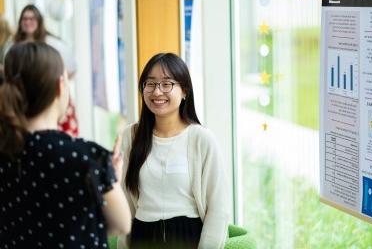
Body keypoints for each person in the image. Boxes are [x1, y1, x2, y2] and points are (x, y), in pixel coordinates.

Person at [0, 42, 131, 248]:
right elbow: (121, 224)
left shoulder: (6, 151)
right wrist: (108, 177)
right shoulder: (86, 157)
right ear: (60, 86)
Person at [119, 53, 230, 249]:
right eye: (150, 83)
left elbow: (217, 207)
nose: (157, 92)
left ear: (184, 91)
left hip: (187, 236)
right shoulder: (131, 136)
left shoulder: (201, 139)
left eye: (167, 84)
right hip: (142, 236)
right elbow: (125, 200)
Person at [14, 4, 79, 137]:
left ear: (39, 21)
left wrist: (56, 83)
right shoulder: (15, 45)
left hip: (52, 94)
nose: (28, 22)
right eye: (25, 19)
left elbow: (72, 68)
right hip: (27, 97)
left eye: (32, 19)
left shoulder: (52, 43)